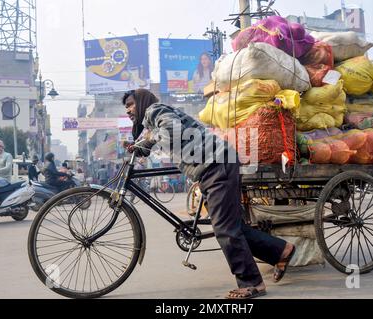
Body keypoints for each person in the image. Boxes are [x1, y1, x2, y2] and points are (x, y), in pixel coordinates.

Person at [122, 89, 295, 299]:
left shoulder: (154, 110)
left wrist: (149, 139)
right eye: (127, 107)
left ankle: (252, 283)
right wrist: (139, 147)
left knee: (224, 228)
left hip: (216, 164)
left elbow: (171, 128)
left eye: (130, 105)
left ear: (141, 102)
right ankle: (281, 251)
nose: (129, 110)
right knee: (233, 226)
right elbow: (156, 138)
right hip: (216, 164)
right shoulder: (153, 119)